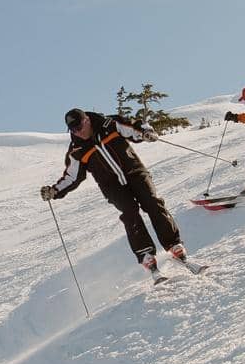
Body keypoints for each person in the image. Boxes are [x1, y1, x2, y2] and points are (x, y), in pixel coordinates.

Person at [40, 108, 186, 275]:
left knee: (152, 202)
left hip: (135, 172)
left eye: (79, 127)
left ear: (87, 120)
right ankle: (145, 254)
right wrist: (54, 191)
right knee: (130, 212)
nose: (77, 133)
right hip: (112, 186)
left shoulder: (109, 124)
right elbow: (72, 177)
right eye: (73, 130)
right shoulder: (76, 150)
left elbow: (132, 128)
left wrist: (145, 132)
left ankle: (173, 243)